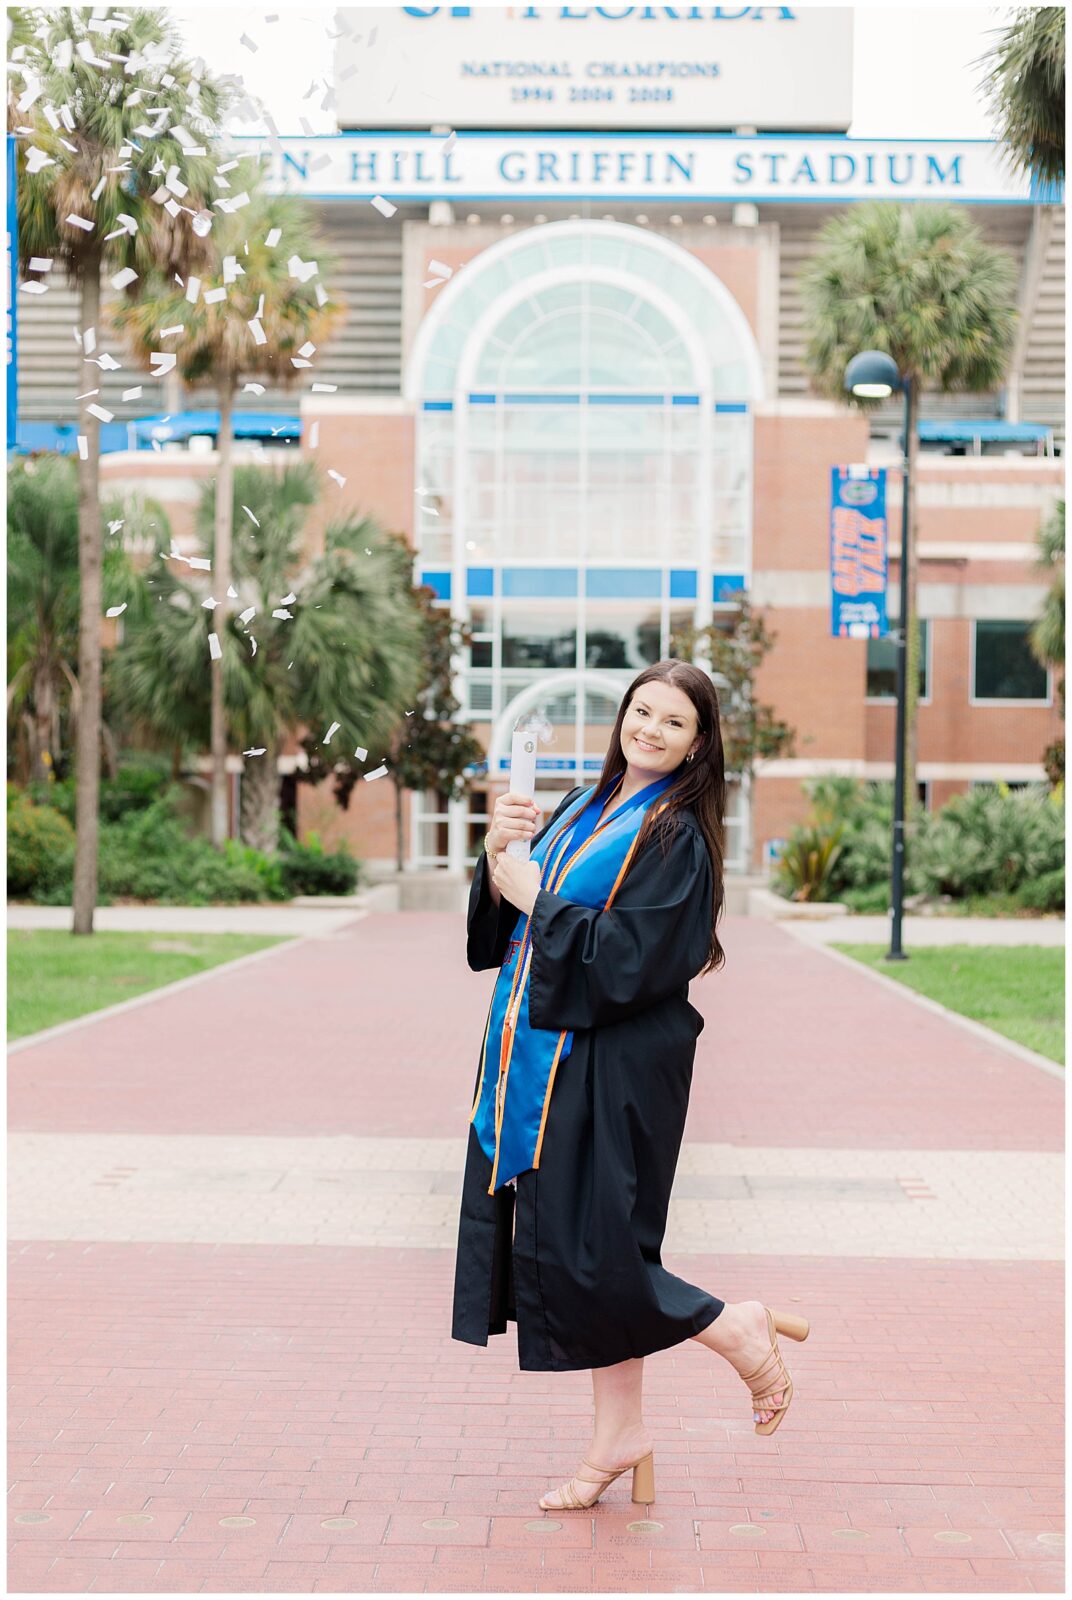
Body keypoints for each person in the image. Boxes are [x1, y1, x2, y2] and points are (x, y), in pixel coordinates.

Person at [452, 660, 809, 1513]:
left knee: (595, 1250)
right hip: (538, 1059)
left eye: (674, 721)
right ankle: (622, 1436)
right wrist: (501, 852)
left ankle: (734, 1327)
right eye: (641, 711)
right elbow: (507, 927)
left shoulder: (676, 837)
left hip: (612, 1066)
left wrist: (540, 898)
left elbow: (635, 960)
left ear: (698, 744)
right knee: (595, 1245)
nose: (651, 729)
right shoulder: (578, 803)